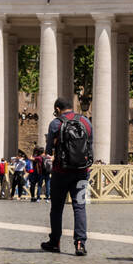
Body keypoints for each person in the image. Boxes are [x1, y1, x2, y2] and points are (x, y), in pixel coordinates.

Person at [42, 97, 92, 255]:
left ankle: (55, 242)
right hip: (82, 173)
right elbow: (90, 148)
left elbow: (49, 151)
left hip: (61, 173)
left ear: (57, 109)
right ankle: (79, 243)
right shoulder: (86, 122)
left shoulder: (56, 123)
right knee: (80, 207)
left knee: (57, 208)